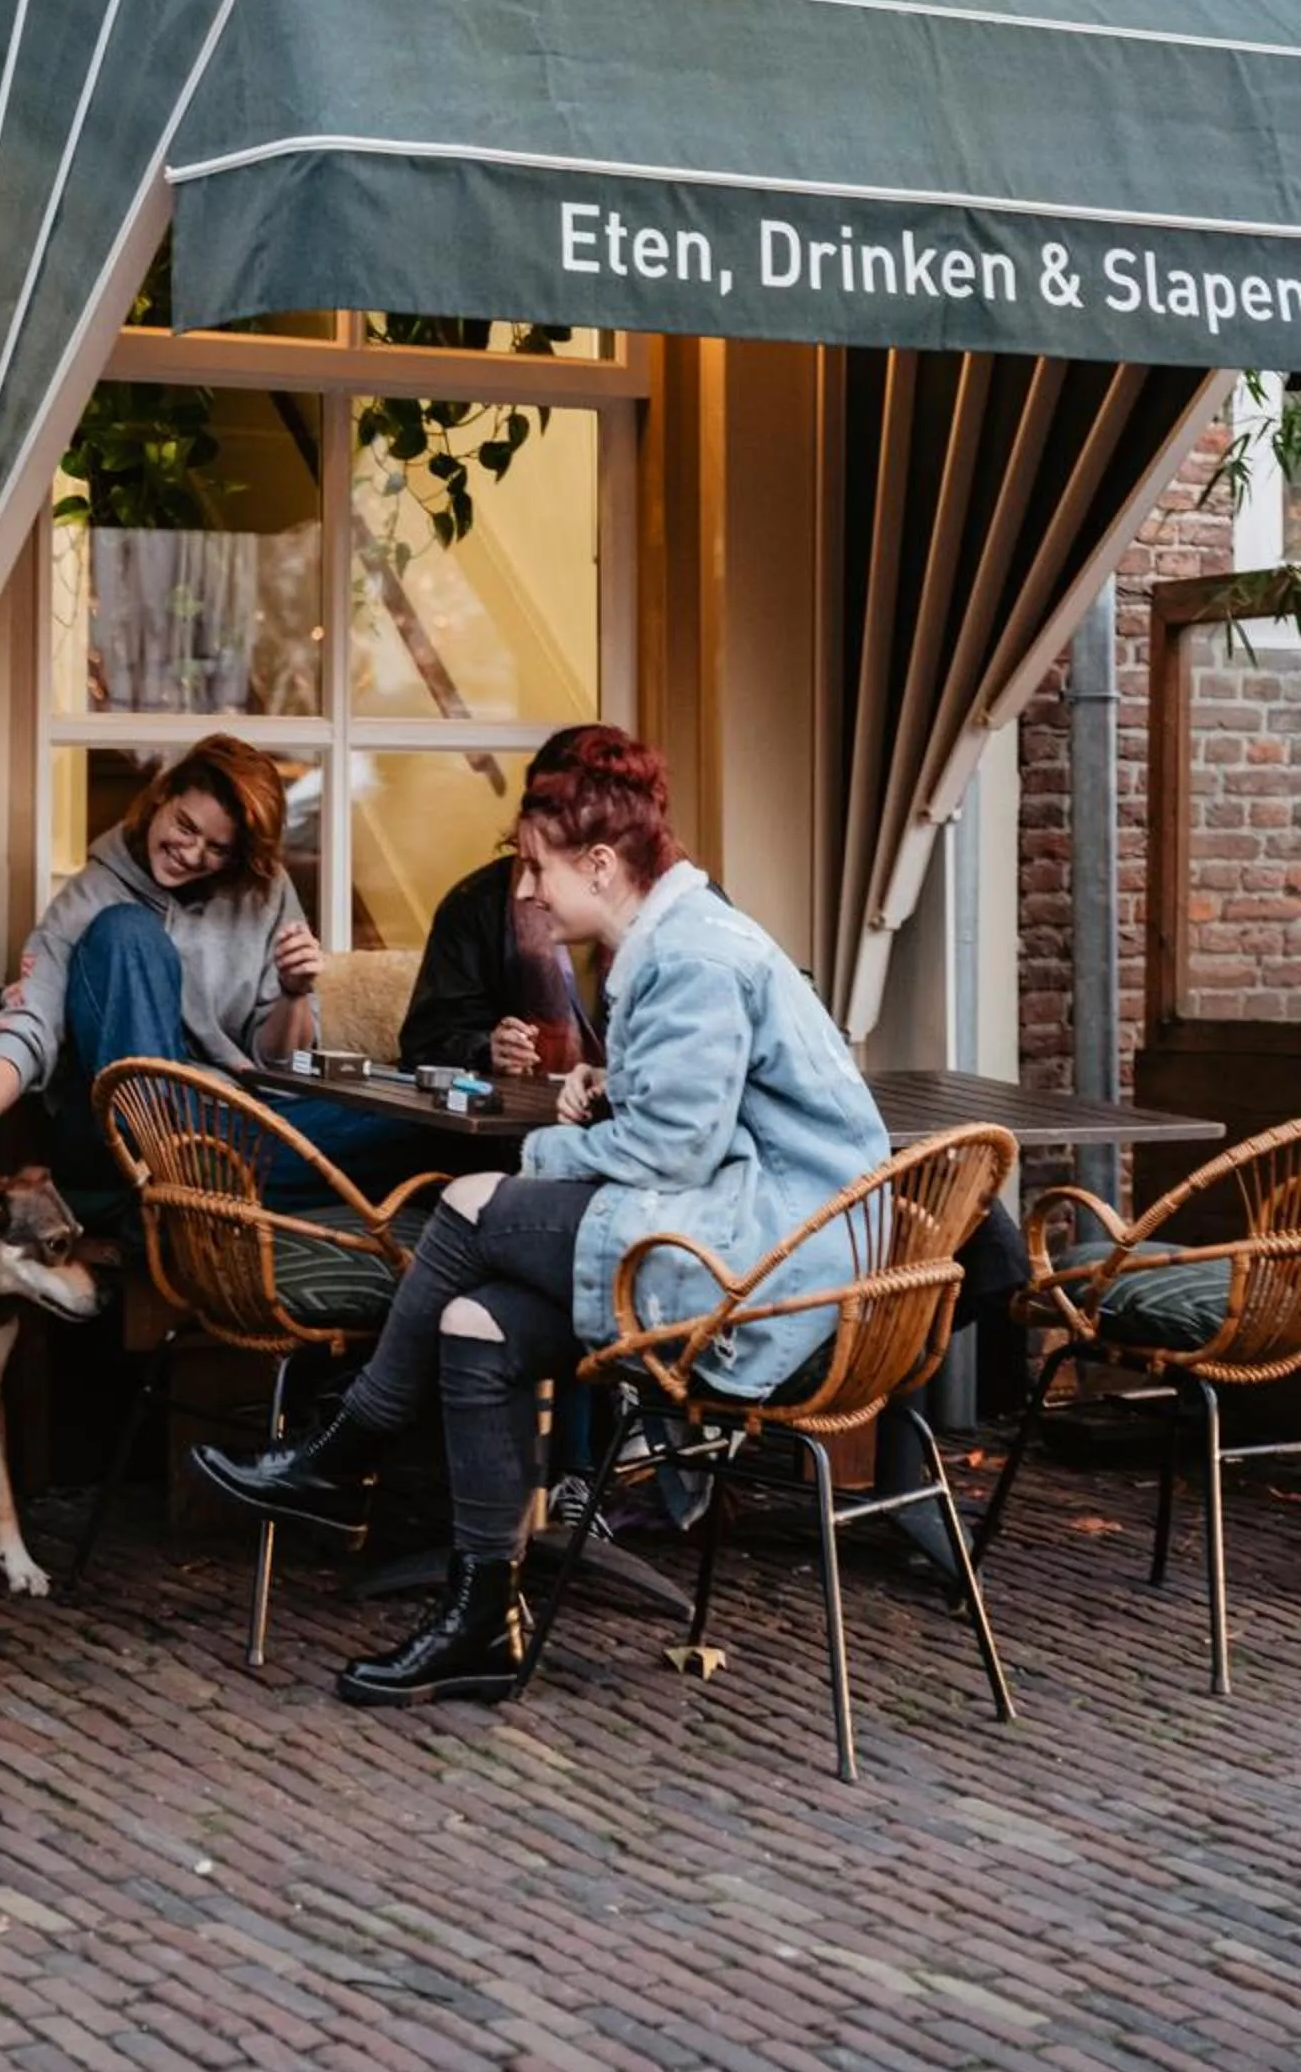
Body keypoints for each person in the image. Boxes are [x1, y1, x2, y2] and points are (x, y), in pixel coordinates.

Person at [190, 725, 891, 1708]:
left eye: (534, 870)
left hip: (777, 1271)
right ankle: (481, 1622)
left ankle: (343, 1449)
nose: (520, 894)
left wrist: (550, 1146)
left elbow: (669, 1154)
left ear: (598, 864)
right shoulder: (673, 940)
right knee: (473, 1324)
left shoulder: (689, 958)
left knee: (470, 1203)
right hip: (737, 1232)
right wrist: (608, 1090)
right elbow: (692, 1115)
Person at [0, 737, 408, 1205]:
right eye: (185, 826)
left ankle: (198, 1186)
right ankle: (181, 1177)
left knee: (414, 1127)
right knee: (126, 930)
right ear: (162, 796)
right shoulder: (90, 898)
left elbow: (276, 1063)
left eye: (217, 848)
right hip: (118, 1139)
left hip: (227, 1126)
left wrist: (292, 993)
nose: (191, 853)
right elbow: (29, 1022)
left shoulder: (265, 892)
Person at [398, 728, 605, 1083]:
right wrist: (484, 1051)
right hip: (512, 1125)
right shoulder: (475, 904)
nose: (525, 890)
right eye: (539, 801)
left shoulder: (679, 921)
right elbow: (425, 1044)